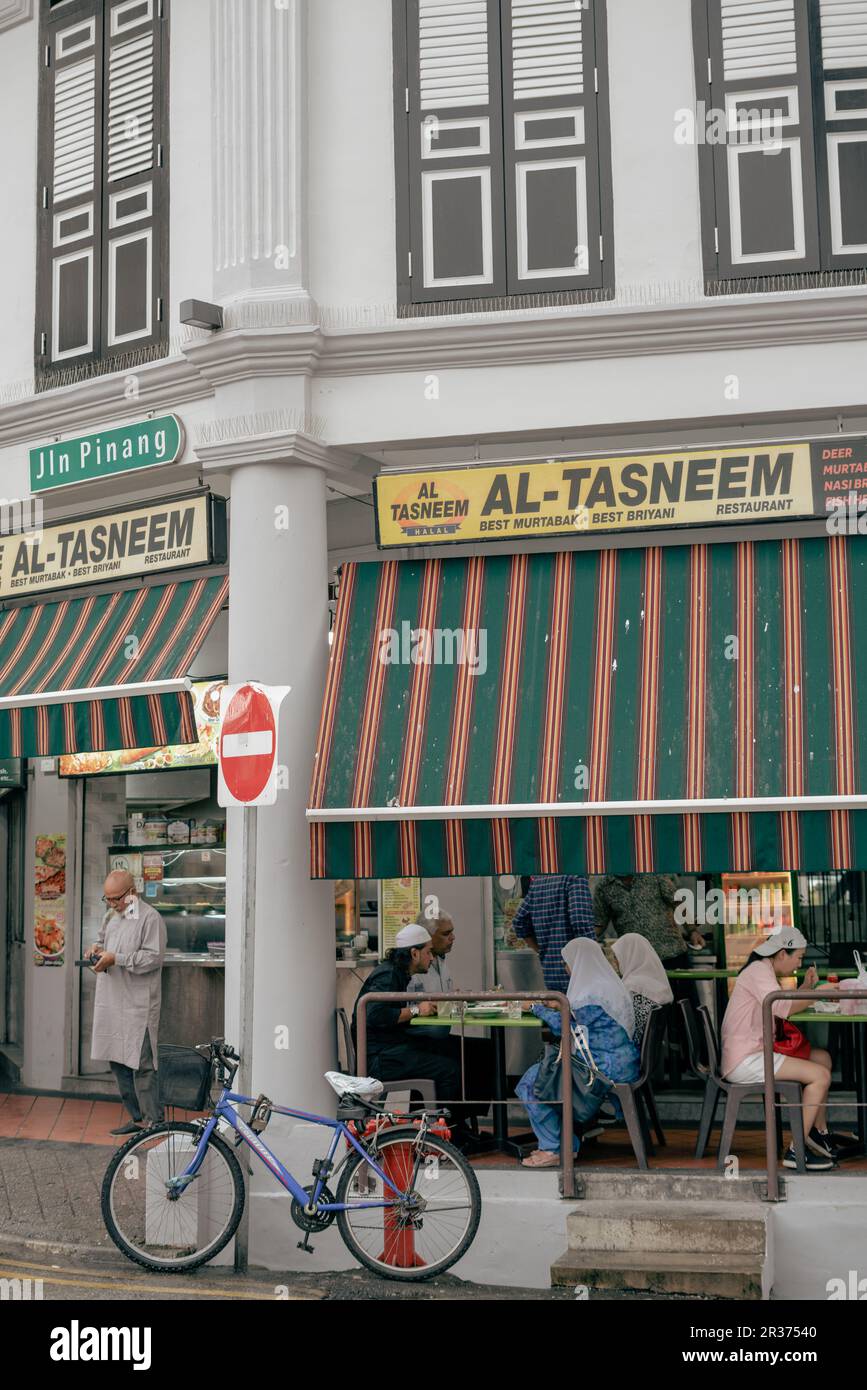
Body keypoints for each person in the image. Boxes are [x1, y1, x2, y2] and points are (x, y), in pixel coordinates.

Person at [721, 927, 854, 1170]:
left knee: (822, 1058)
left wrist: (805, 988)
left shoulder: (763, 970)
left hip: (757, 1052)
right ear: (783, 953)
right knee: (821, 1076)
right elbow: (782, 1007)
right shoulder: (759, 972)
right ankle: (796, 1150)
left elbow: (782, 1003)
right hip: (746, 1059)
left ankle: (817, 1132)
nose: (799, 963)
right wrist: (815, 994)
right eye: (799, 957)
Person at [351, 923, 482, 1144]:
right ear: (414, 953)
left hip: (391, 1047)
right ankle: (443, 1138)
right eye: (428, 952)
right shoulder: (387, 975)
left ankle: (460, 1125)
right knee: (448, 1068)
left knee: (471, 1050)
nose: (432, 958)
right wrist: (415, 1010)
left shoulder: (397, 973)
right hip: (381, 1057)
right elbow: (374, 1014)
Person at [516, 938, 641, 1168]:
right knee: (544, 1072)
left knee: (531, 1082)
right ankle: (567, 1140)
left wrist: (536, 1008)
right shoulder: (607, 985)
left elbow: (566, 1027)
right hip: (621, 1061)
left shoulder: (589, 994)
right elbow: (586, 1021)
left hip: (602, 1067)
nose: (566, 968)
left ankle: (555, 1147)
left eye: (568, 962)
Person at [89, 870, 166, 1136]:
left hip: (138, 1004)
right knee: (118, 1061)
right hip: (112, 1001)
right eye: (107, 899)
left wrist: (117, 959)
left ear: (132, 892)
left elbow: (153, 958)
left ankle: (154, 1122)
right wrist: (96, 950)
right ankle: (137, 1119)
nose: (112, 904)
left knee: (143, 1064)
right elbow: (102, 940)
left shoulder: (150, 918)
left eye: (116, 899)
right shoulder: (112, 916)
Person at [512, 875, 594, 994]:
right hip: (577, 974)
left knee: (560, 1010)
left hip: (551, 973)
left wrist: (541, 950)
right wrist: (595, 957)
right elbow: (580, 921)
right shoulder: (575, 877)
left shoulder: (539, 881)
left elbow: (519, 920)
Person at [611, 932, 674, 1040]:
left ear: (629, 956)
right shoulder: (658, 982)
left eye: (617, 957)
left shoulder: (632, 987)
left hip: (635, 1048)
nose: (615, 963)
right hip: (654, 1049)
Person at [407, 910, 455, 994]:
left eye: (452, 932)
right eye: (446, 934)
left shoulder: (440, 960)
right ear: (427, 935)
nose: (453, 937)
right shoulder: (412, 967)